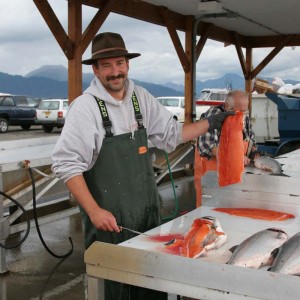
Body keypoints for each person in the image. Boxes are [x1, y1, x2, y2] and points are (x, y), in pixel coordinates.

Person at [51, 32, 233, 300]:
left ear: (128, 64)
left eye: (120, 63)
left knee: (151, 286)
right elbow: (66, 164)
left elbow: (171, 135)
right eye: (107, 66)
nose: (116, 72)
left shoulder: (140, 97)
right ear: (96, 70)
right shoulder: (85, 108)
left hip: (148, 218)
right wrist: (94, 211)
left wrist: (210, 123)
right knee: (116, 291)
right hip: (110, 225)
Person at [194, 90, 257, 207]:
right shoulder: (213, 115)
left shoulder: (244, 118)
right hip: (211, 177)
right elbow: (207, 146)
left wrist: (254, 155)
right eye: (238, 110)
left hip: (235, 177)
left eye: (244, 110)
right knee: (209, 214)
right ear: (227, 106)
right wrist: (237, 157)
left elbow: (251, 141)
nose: (242, 113)